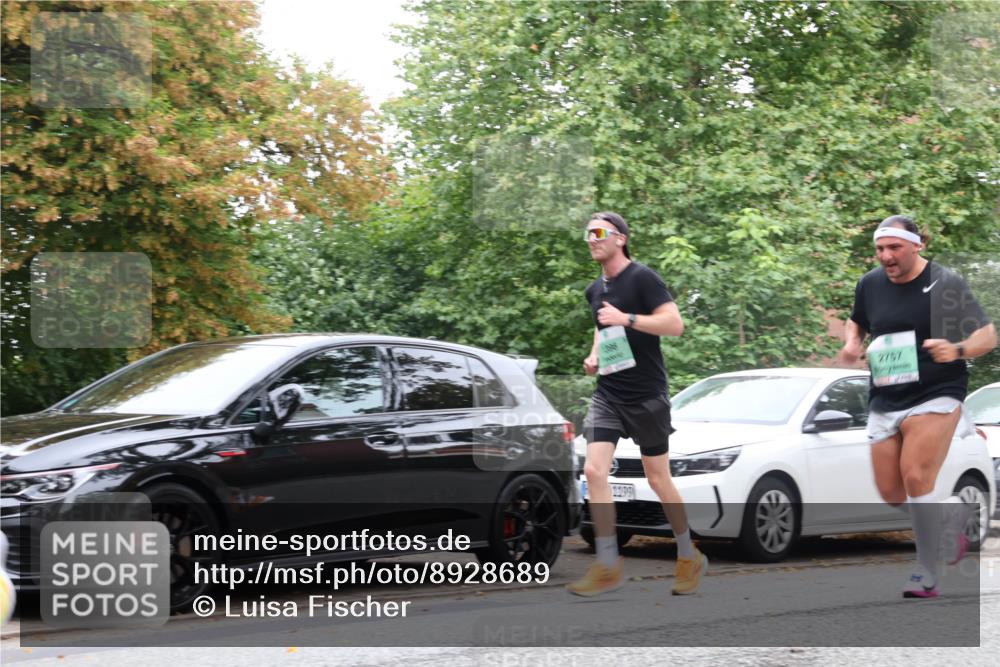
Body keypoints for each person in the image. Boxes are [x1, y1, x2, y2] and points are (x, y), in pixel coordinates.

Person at [840, 214, 997, 598]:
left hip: (937, 390)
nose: (886, 256)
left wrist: (956, 350)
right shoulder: (870, 283)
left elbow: (987, 334)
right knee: (892, 492)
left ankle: (926, 573)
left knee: (915, 477)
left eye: (893, 248)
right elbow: (856, 320)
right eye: (880, 249)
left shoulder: (945, 283)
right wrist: (852, 342)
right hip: (887, 393)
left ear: (916, 246)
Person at [567, 211, 708, 597]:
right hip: (609, 393)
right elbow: (603, 329)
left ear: (621, 238)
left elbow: (674, 324)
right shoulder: (594, 290)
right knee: (594, 472)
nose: (591, 239)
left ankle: (687, 554)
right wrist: (594, 355)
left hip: (646, 395)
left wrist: (627, 318)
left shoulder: (642, 278)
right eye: (587, 233)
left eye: (599, 232)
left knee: (658, 478)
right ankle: (608, 563)